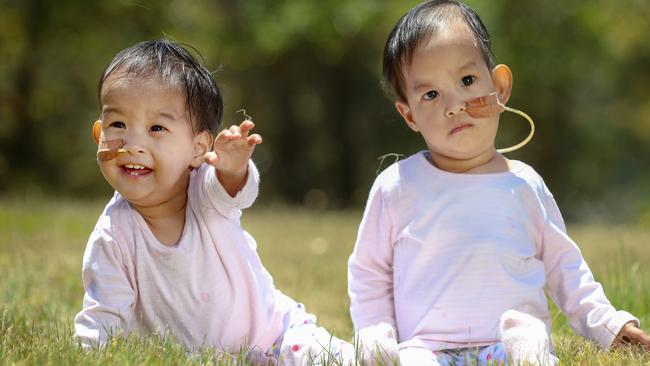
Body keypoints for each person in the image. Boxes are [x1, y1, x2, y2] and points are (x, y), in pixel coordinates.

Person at [347, 1, 650, 365]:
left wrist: (607, 324)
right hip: (426, 347)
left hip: (509, 343)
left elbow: (564, 267)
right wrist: (374, 332)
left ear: (500, 87)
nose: (454, 104)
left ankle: (528, 352)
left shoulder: (523, 185)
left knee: (529, 344)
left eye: (467, 81)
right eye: (430, 94)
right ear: (409, 113)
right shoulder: (397, 187)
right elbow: (369, 272)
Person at [73, 39, 353, 365]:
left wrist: (233, 168)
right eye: (118, 124)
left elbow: (232, 190)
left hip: (276, 335)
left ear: (198, 147)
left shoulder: (203, 190)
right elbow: (102, 318)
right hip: (207, 359)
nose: (133, 143)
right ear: (98, 132)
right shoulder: (112, 235)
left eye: (157, 127)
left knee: (321, 357)